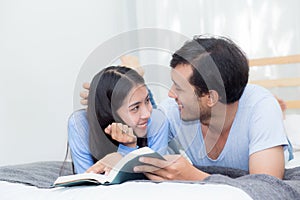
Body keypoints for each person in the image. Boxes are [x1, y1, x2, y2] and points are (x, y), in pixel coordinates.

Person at [132, 35, 293, 180]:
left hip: (263, 126)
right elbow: (141, 150)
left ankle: (278, 122)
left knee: (267, 111)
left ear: (210, 97)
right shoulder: (173, 110)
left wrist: (194, 176)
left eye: (179, 88)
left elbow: (265, 187)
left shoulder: (261, 108)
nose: (170, 94)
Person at [68, 65, 168, 174]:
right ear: (110, 112)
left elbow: (157, 181)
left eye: (147, 100)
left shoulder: (157, 121)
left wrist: (128, 149)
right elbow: (86, 181)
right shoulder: (80, 124)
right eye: (135, 108)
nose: (147, 114)